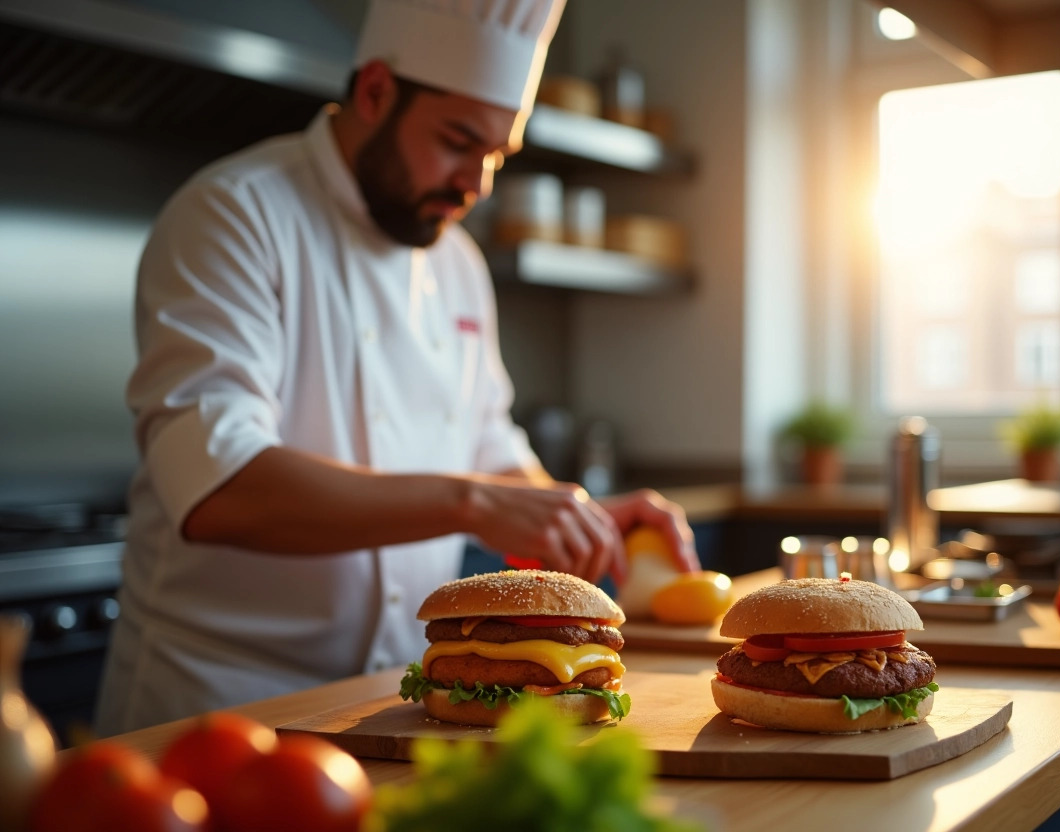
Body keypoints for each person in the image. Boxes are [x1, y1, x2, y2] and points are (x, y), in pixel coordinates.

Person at [95, 0, 698, 736]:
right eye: (455, 141)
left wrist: (571, 513)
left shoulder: (458, 263)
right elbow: (221, 487)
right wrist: (472, 502)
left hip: (396, 704)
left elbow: (490, 454)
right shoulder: (233, 216)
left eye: (496, 156)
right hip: (222, 707)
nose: (475, 184)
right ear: (375, 90)